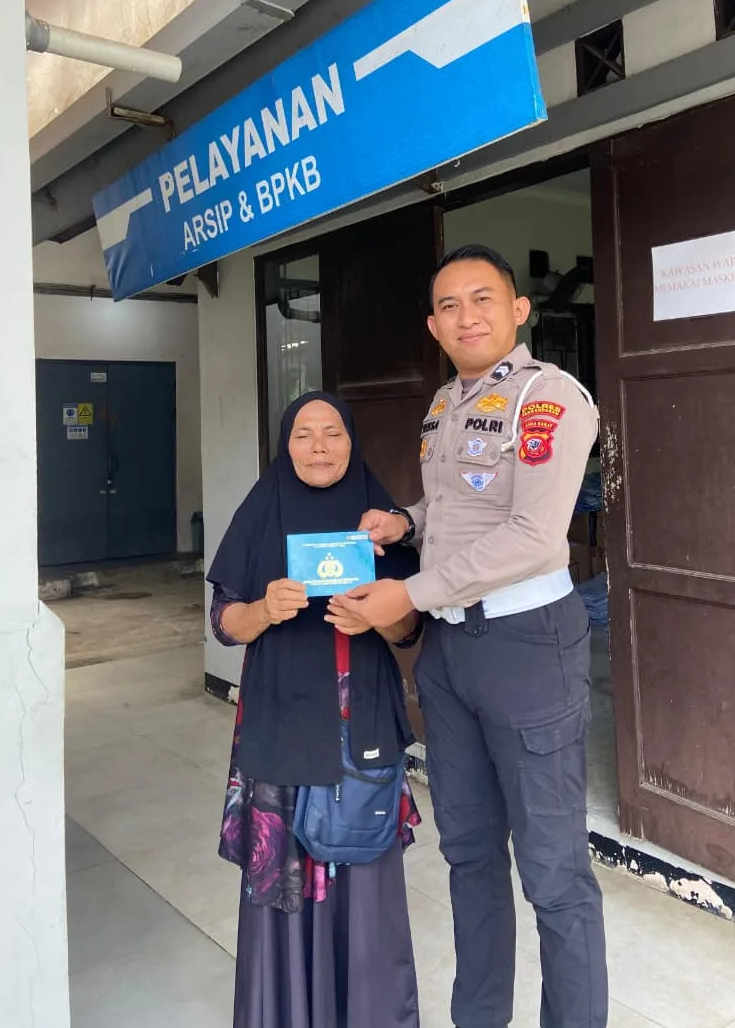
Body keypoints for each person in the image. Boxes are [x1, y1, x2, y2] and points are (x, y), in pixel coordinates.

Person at [338, 245, 608, 1028]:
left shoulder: (548, 398)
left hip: (527, 647)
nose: (467, 316)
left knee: (553, 873)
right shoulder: (444, 404)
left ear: (519, 309)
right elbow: (457, 507)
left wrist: (409, 592)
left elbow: (532, 535)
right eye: (449, 306)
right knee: (470, 854)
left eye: (483, 298)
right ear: (434, 325)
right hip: (451, 652)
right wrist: (405, 522)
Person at [207, 391, 423, 1028]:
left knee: (362, 869)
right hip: (280, 721)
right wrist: (262, 610)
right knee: (286, 880)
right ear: (286, 444)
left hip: (361, 725)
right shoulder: (262, 508)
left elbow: (410, 630)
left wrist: (378, 616)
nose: (320, 446)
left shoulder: (377, 521)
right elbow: (223, 622)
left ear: (352, 441)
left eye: (333, 433)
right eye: (304, 434)